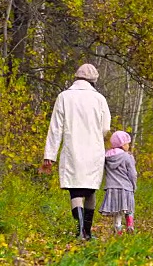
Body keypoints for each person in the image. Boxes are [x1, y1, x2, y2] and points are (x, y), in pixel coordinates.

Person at [42, 63, 111, 240]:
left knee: (76, 190)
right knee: (90, 190)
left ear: (76, 77)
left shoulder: (64, 97)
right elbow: (105, 128)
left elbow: (55, 128)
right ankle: (88, 232)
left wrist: (49, 155)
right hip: (94, 150)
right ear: (93, 80)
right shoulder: (100, 99)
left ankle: (80, 231)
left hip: (72, 149)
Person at [99, 130, 137, 235]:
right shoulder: (127, 157)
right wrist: (134, 186)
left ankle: (118, 232)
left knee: (117, 212)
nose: (128, 145)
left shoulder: (106, 157)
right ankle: (130, 224)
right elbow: (133, 174)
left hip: (112, 188)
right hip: (126, 187)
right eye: (127, 143)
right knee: (129, 207)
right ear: (122, 145)